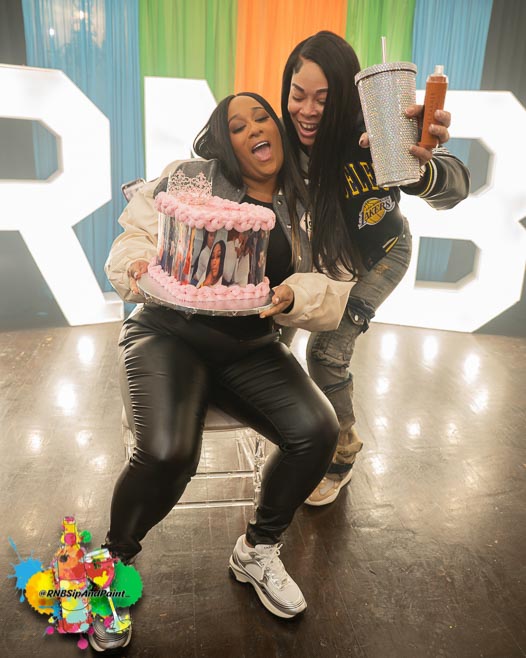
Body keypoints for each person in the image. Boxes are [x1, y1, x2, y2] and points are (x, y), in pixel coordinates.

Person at [94, 92, 355, 652]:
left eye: (262, 117)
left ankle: (257, 549)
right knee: (168, 452)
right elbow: (134, 237)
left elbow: (334, 285)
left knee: (318, 430)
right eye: (238, 125)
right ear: (224, 141)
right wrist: (136, 264)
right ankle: (112, 564)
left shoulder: (309, 199)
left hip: (250, 347)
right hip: (168, 333)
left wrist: (293, 294)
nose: (255, 129)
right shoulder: (189, 180)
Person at [281, 31, 470, 506]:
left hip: (380, 256)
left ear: (346, 98)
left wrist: (422, 162)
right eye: (297, 94)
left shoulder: (374, 130)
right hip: (320, 262)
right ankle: (296, 436)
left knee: (325, 355)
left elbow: (455, 185)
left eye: (323, 99)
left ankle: (341, 453)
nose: (306, 110)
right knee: (269, 341)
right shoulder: (284, 141)